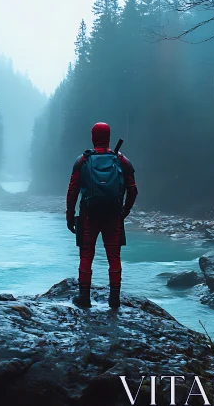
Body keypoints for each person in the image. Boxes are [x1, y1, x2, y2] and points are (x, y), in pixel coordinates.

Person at [66, 122, 138, 309]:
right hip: (113, 216)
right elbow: (133, 191)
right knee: (114, 256)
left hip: (88, 216)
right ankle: (114, 300)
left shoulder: (83, 160)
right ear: (109, 137)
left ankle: (84, 298)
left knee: (86, 255)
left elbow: (72, 191)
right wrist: (124, 212)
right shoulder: (121, 160)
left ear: (92, 137)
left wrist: (69, 215)